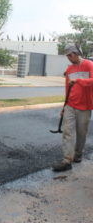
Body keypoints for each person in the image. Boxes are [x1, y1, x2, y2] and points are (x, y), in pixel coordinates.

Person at [53, 44, 93, 172]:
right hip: (70, 104)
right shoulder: (69, 69)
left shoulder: (89, 65)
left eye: (71, 54)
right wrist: (64, 106)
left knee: (81, 133)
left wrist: (79, 81)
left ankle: (78, 155)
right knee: (67, 132)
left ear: (77, 53)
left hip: (85, 106)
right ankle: (67, 160)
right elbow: (67, 88)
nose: (69, 57)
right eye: (68, 55)